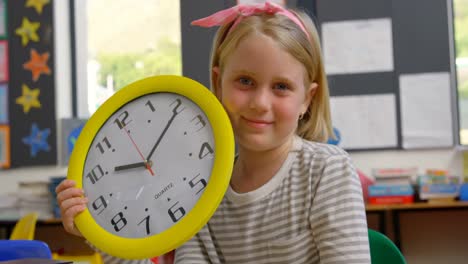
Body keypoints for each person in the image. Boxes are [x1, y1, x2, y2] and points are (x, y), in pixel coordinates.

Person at [56, 2, 370, 263]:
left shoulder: (327, 171)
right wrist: (97, 225)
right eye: (245, 81)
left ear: (307, 99)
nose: (260, 103)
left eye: (281, 87)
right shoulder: (200, 187)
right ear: (218, 84)